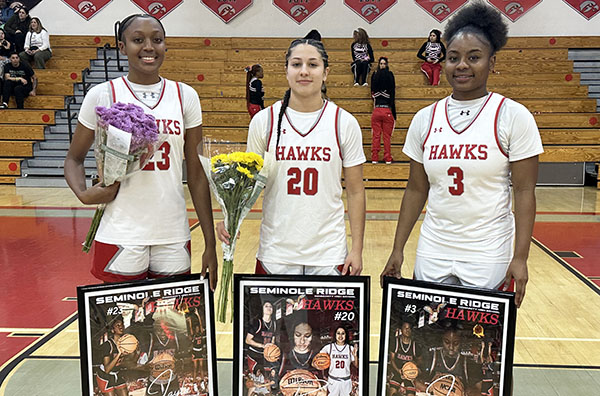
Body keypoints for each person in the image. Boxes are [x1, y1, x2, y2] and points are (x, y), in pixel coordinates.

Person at [380, 2, 543, 309]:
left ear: (492, 62)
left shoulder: (512, 116)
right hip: (434, 248)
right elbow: (416, 188)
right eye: (453, 58)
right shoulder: (425, 118)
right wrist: (397, 248)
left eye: (474, 57)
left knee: (481, 349)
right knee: (426, 339)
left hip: (487, 251)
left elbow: (524, 191)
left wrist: (520, 257)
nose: (462, 65)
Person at [63, 14, 218, 289]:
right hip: (120, 230)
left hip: (172, 231)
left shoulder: (185, 96)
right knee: (120, 327)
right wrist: (84, 194)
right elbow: (74, 158)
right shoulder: (102, 94)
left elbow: (196, 175)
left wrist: (209, 242)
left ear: (165, 45)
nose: (149, 47)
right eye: (138, 40)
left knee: (171, 327)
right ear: (122, 47)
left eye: (157, 40)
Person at [217, 38, 366, 276]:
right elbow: (249, 182)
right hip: (276, 251)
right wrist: (230, 216)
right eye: (296, 64)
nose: (304, 71)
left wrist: (357, 248)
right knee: (269, 315)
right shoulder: (264, 121)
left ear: (325, 72)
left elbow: (356, 191)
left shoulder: (343, 122)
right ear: (286, 70)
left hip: (328, 253)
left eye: (313, 65)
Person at [415, 328, 482, 396]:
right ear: (441, 341)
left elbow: (478, 389)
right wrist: (428, 389)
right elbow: (414, 378)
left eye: (456, 343)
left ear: (461, 342)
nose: (451, 347)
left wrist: (471, 391)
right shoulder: (432, 357)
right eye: (447, 342)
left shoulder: (467, 363)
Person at [370, 56, 396, 164]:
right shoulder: (390, 75)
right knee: (386, 137)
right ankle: (387, 157)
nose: (382, 65)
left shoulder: (375, 75)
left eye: (383, 64)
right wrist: (394, 113)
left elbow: (372, 93)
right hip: (387, 110)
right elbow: (392, 95)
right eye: (382, 63)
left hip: (376, 110)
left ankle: (374, 157)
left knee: (376, 135)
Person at [319, 325, 357, 396]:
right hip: (333, 381)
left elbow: (356, 365)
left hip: (346, 381)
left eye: (343, 333)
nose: (340, 336)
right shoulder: (328, 348)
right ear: (335, 335)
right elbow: (318, 361)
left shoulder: (350, 348)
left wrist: (355, 356)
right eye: (338, 333)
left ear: (346, 335)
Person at [96, 317, 129, 396]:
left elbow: (128, 363)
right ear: (112, 330)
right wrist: (119, 354)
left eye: (122, 325)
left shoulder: (126, 343)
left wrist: (135, 352)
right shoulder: (108, 345)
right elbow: (107, 369)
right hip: (105, 376)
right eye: (117, 325)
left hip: (117, 374)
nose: (121, 326)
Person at [388, 321, 422, 396]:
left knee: (411, 394)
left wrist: (414, 365)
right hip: (397, 372)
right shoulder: (395, 343)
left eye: (409, 328)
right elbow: (392, 360)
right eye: (405, 328)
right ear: (401, 329)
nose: (407, 330)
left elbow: (420, 360)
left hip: (410, 375)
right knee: (392, 392)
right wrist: (399, 370)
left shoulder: (415, 346)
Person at [245, 300, 278, 374]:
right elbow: (247, 340)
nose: (269, 308)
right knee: (256, 375)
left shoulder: (274, 324)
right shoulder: (257, 323)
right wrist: (263, 346)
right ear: (262, 309)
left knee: (271, 374)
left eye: (270, 306)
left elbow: (273, 339)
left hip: (266, 355)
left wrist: (272, 348)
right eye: (266, 306)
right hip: (254, 354)